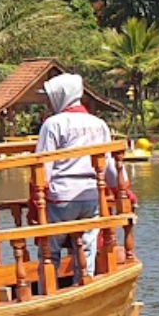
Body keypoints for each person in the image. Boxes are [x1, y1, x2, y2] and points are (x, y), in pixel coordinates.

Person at [36, 73, 121, 279]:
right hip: (91, 195)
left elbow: (43, 166)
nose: (47, 102)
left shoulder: (53, 124)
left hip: (61, 197)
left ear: (61, 96)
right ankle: (84, 283)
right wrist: (122, 190)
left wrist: (37, 196)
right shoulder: (98, 124)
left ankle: (49, 289)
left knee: (50, 250)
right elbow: (109, 164)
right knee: (87, 248)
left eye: (49, 97)